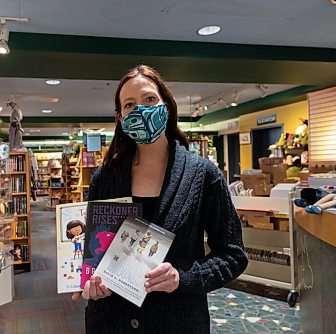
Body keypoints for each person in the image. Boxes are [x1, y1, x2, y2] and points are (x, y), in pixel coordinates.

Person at [72, 65, 248, 333]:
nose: (141, 110)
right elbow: (95, 253)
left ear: (166, 105)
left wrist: (183, 277)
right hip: (112, 321)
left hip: (177, 321)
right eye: (130, 105)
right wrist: (89, 282)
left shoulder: (203, 176)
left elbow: (233, 255)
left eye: (149, 99)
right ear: (120, 117)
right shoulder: (105, 178)